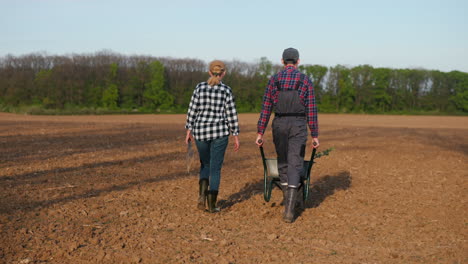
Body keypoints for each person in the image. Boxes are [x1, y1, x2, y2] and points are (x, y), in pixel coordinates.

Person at [255, 48, 319, 223]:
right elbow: (311, 109)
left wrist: (260, 131)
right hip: (298, 124)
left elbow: (266, 107)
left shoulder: (274, 80)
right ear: (298, 61)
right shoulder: (305, 80)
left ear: (282, 61)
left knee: (282, 160)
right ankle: (289, 211)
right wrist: (315, 134)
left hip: (279, 124)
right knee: (295, 162)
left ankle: (288, 203)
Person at [185, 60, 240, 213]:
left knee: (205, 165)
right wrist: (235, 135)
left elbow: (192, 110)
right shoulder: (226, 90)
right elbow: (232, 115)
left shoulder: (199, 88)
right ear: (224, 73)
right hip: (220, 134)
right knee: (215, 169)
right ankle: (212, 205)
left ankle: (201, 197)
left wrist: (188, 130)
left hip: (201, 133)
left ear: (209, 72)